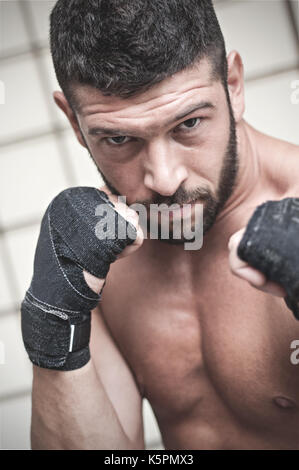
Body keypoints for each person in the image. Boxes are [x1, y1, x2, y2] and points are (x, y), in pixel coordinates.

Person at [24, 0, 299, 450]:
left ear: (232, 85)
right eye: (119, 138)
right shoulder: (99, 258)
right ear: (75, 122)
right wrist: (51, 322)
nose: (165, 179)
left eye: (188, 123)